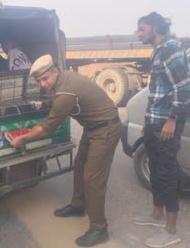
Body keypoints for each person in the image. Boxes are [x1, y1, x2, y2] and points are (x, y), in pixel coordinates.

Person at [10, 54, 121, 247]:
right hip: (93, 126)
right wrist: (43, 103)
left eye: (45, 79)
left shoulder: (65, 92)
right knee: (79, 166)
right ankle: (78, 206)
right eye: (39, 81)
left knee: (92, 178)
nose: (43, 84)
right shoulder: (62, 80)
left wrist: (22, 138)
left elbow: (46, 128)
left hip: (106, 128)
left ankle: (99, 228)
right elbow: (57, 100)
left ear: (55, 71)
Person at [132, 12, 190, 248]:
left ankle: (171, 230)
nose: (138, 33)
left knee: (166, 174)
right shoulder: (157, 51)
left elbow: (183, 86)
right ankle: (156, 216)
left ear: (155, 27)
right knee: (156, 171)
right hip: (154, 122)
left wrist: (172, 120)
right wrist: (148, 123)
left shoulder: (171, 48)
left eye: (142, 28)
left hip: (167, 123)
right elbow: (157, 91)